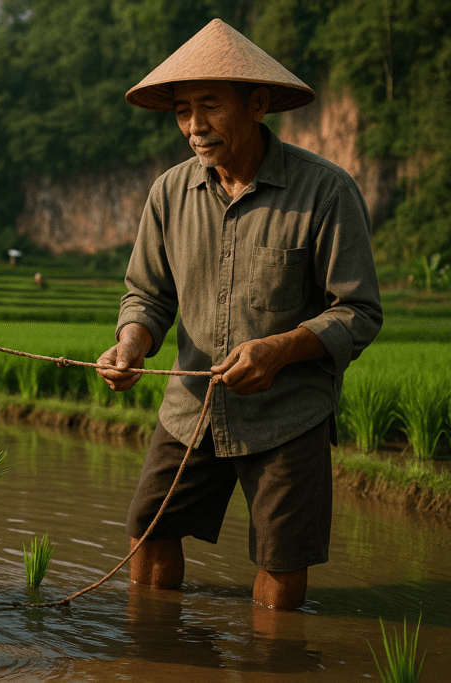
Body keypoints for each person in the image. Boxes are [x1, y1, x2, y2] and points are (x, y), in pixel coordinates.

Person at [97, 19, 382, 610]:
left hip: (287, 413)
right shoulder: (169, 192)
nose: (194, 126)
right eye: (183, 110)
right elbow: (147, 294)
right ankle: (153, 649)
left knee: (280, 559)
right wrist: (132, 343)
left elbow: (357, 310)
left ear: (257, 105)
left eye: (209, 105)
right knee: (149, 528)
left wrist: (278, 350)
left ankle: (272, 654)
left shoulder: (325, 191)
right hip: (191, 408)